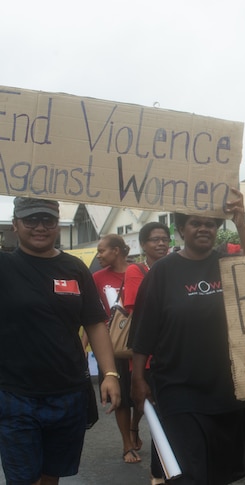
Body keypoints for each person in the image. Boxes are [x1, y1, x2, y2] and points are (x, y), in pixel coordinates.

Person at [130, 189, 245, 484]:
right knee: (188, 475)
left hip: (231, 390)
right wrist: (138, 379)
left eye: (210, 223)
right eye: (195, 222)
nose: (204, 228)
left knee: (222, 472)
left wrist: (241, 222)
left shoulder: (229, 265)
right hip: (179, 390)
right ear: (181, 229)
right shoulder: (162, 272)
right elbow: (144, 329)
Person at [0, 197, 121, 485]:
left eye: (47, 220)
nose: (40, 227)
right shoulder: (3, 266)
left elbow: (95, 322)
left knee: (52, 474)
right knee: (22, 478)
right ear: (15, 225)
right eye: (31, 220)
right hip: (15, 395)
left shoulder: (75, 268)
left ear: (57, 225)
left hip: (67, 394)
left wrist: (111, 374)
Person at [122, 221, 171, 485]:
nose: (161, 243)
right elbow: (138, 309)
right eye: (154, 239)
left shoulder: (175, 268)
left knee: (167, 418)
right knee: (159, 419)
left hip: (175, 356)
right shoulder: (136, 270)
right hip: (148, 359)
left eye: (165, 238)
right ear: (142, 245)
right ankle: (157, 473)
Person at [91, 234, 143, 464]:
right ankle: (127, 444)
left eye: (102, 250)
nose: (99, 255)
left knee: (142, 395)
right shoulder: (96, 278)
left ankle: (134, 428)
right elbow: (90, 317)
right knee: (119, 397)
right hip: (110, 346)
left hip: (139, 343)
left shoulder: (140, 273)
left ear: (117, 250)